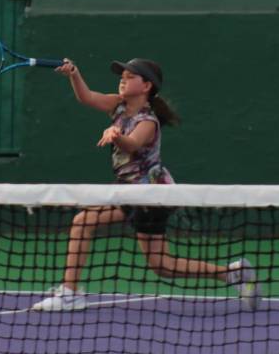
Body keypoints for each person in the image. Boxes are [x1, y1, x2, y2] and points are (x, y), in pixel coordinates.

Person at [31, 57, 261, 312]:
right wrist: (74, 73)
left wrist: (115, 135)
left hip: (152, 196)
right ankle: (232, 274)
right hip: (132, 192)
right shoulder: (117, 106)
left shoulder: (148, 121)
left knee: (84, 223)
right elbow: (87, 97)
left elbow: (133, 144)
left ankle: (70, 292)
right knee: (162, 265)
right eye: (122, 76)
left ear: (147, 86)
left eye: (130, 77)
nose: (123, 80)